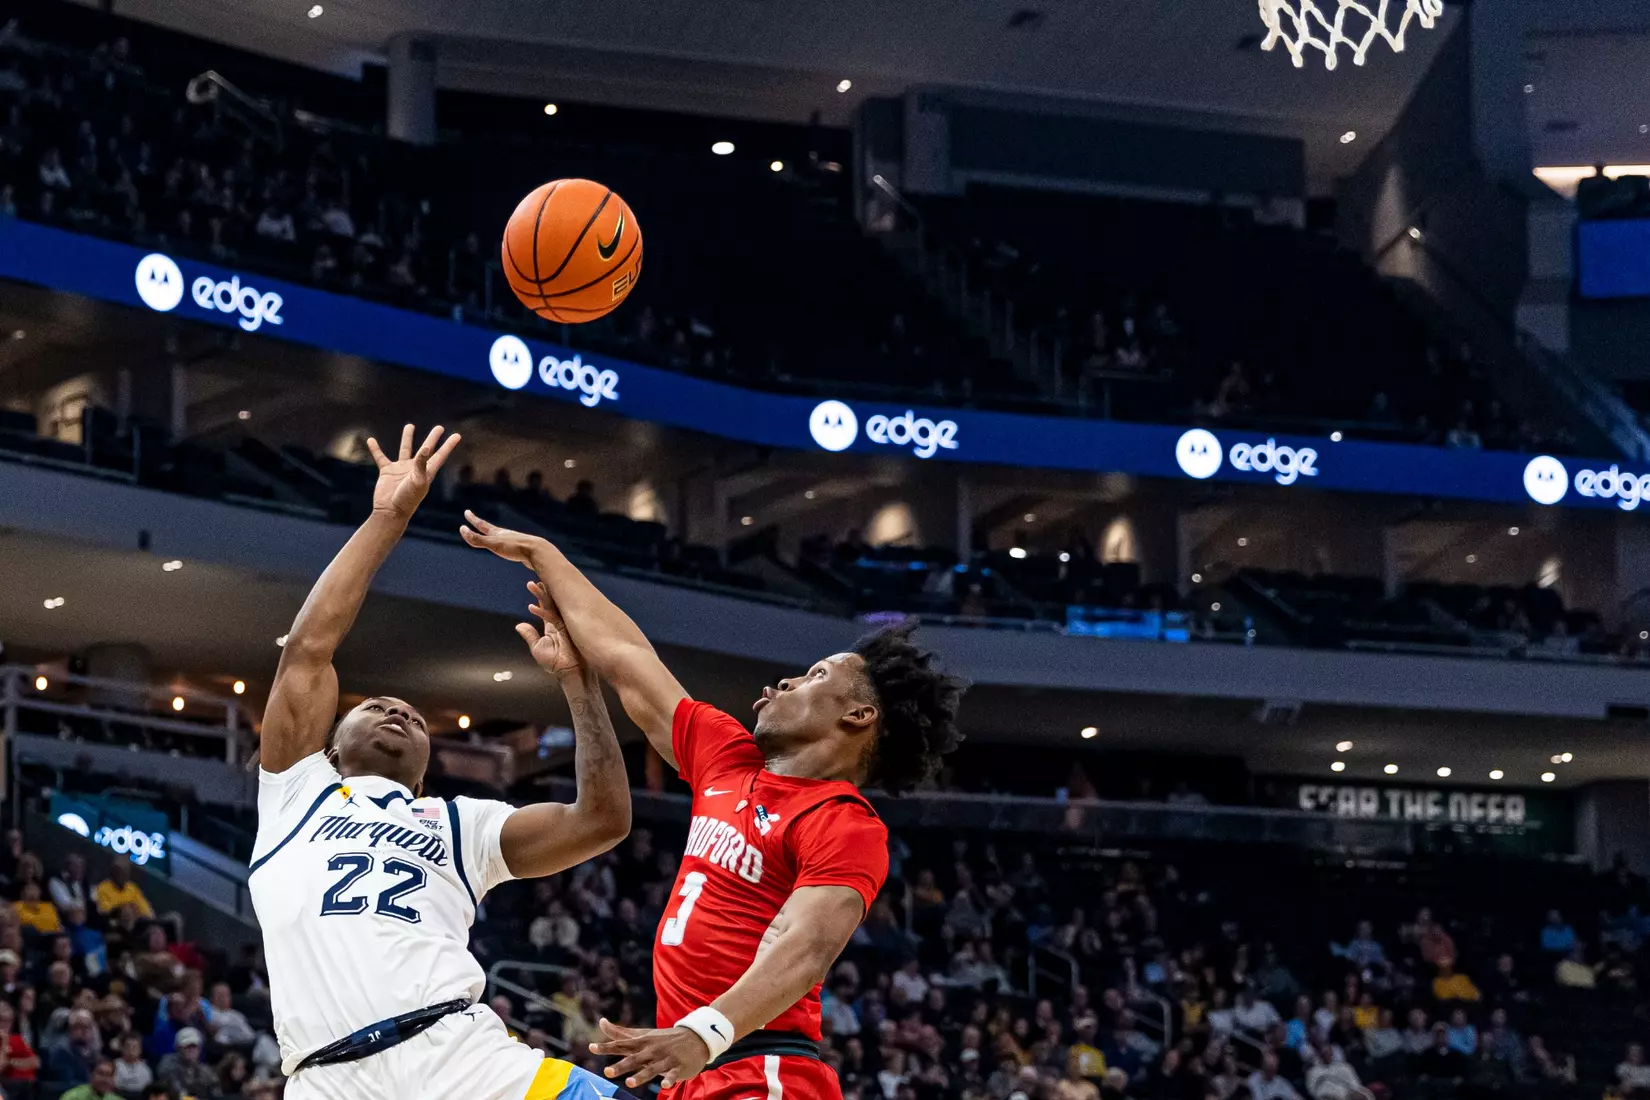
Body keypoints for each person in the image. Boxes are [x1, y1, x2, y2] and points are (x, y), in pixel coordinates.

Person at [460, 510, 965, 1100]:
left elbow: (806, 947)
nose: (783, 684)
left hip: (761, 1068)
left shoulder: (843, 821)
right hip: (693, 1065)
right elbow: (626, 655)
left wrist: (705, 1033)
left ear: (858, 715)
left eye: (815, 675)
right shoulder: (726, 759)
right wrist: (544, 553)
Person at [251, 425, 633, 1100]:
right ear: (330, 749)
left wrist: (579, 684)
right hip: (328, 1079)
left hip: (463, 1058)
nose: (397, 711)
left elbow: (602, 820)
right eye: (377, 706)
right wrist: (386, 519)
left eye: (413, 717)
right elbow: (308, 648)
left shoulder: (460, 823)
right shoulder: (296, 790)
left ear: (424, 771)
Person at [156, 1027, 216, 1098]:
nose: (191, 1049)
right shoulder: (168, 1065)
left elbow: (216, 1091)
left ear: (199, 1048)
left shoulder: (204, 1069)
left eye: (194, 1046)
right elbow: (179, 1094)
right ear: (178, 1047)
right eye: (186, 1046)